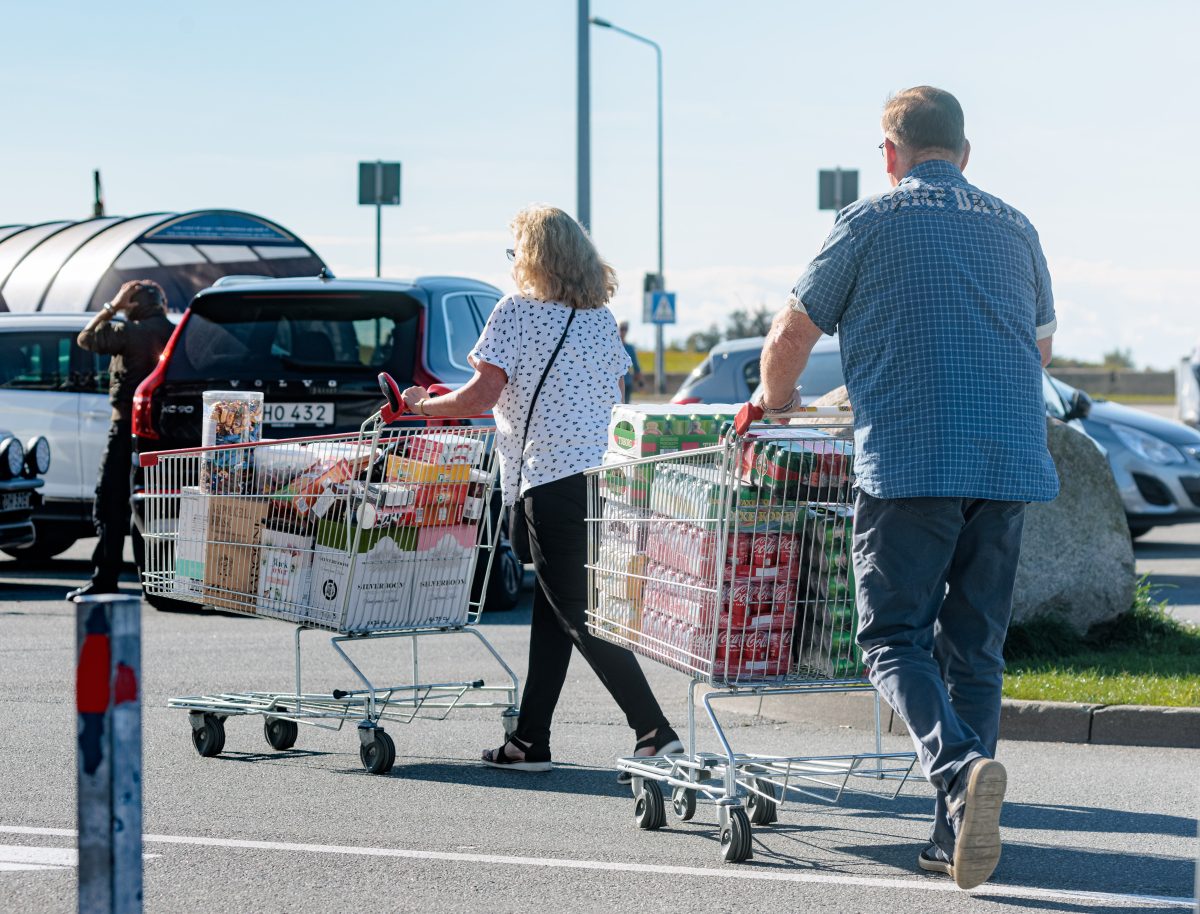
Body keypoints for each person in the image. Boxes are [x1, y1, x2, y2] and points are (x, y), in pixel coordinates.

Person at [756, 87, 1057, 890]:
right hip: (1008, 464)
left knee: (891, 638)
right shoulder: (1018, 227)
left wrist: (776, 404)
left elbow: (792, 333)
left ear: (889, 153)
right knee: (977, 654)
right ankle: (952, 833)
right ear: (965, 151)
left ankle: (958, 771)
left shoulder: (868, 221)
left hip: (912, 461)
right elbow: (1042, 347)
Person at [401, 204, 681, 773]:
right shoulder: (600, 320)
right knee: (555, 612)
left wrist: (423, 405)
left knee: (575, 612)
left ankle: (654, 729)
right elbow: (614, 395)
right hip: (599, 479)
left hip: (547, 477)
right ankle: (530, 741)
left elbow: (481, 397)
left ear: (532, 257)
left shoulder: (515, 312)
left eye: (514, 251)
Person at [68, 280, 175, 601]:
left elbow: (85, 338)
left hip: (124, 432)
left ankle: (105, 577)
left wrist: (111, 306)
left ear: (134, 304)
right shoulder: (173, 332)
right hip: (162, 434)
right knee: (153, 506)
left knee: (110, 503)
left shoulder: (128, 332)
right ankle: (156, 583)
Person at [618, 321, 642, 403]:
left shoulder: (630, 348)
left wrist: (639, 380)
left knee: (625, 406)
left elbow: (635, 365)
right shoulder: (612, 347)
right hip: (615, 382)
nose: (623, 332)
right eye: (622, 329)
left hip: (627, 381)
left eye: (625, 329)